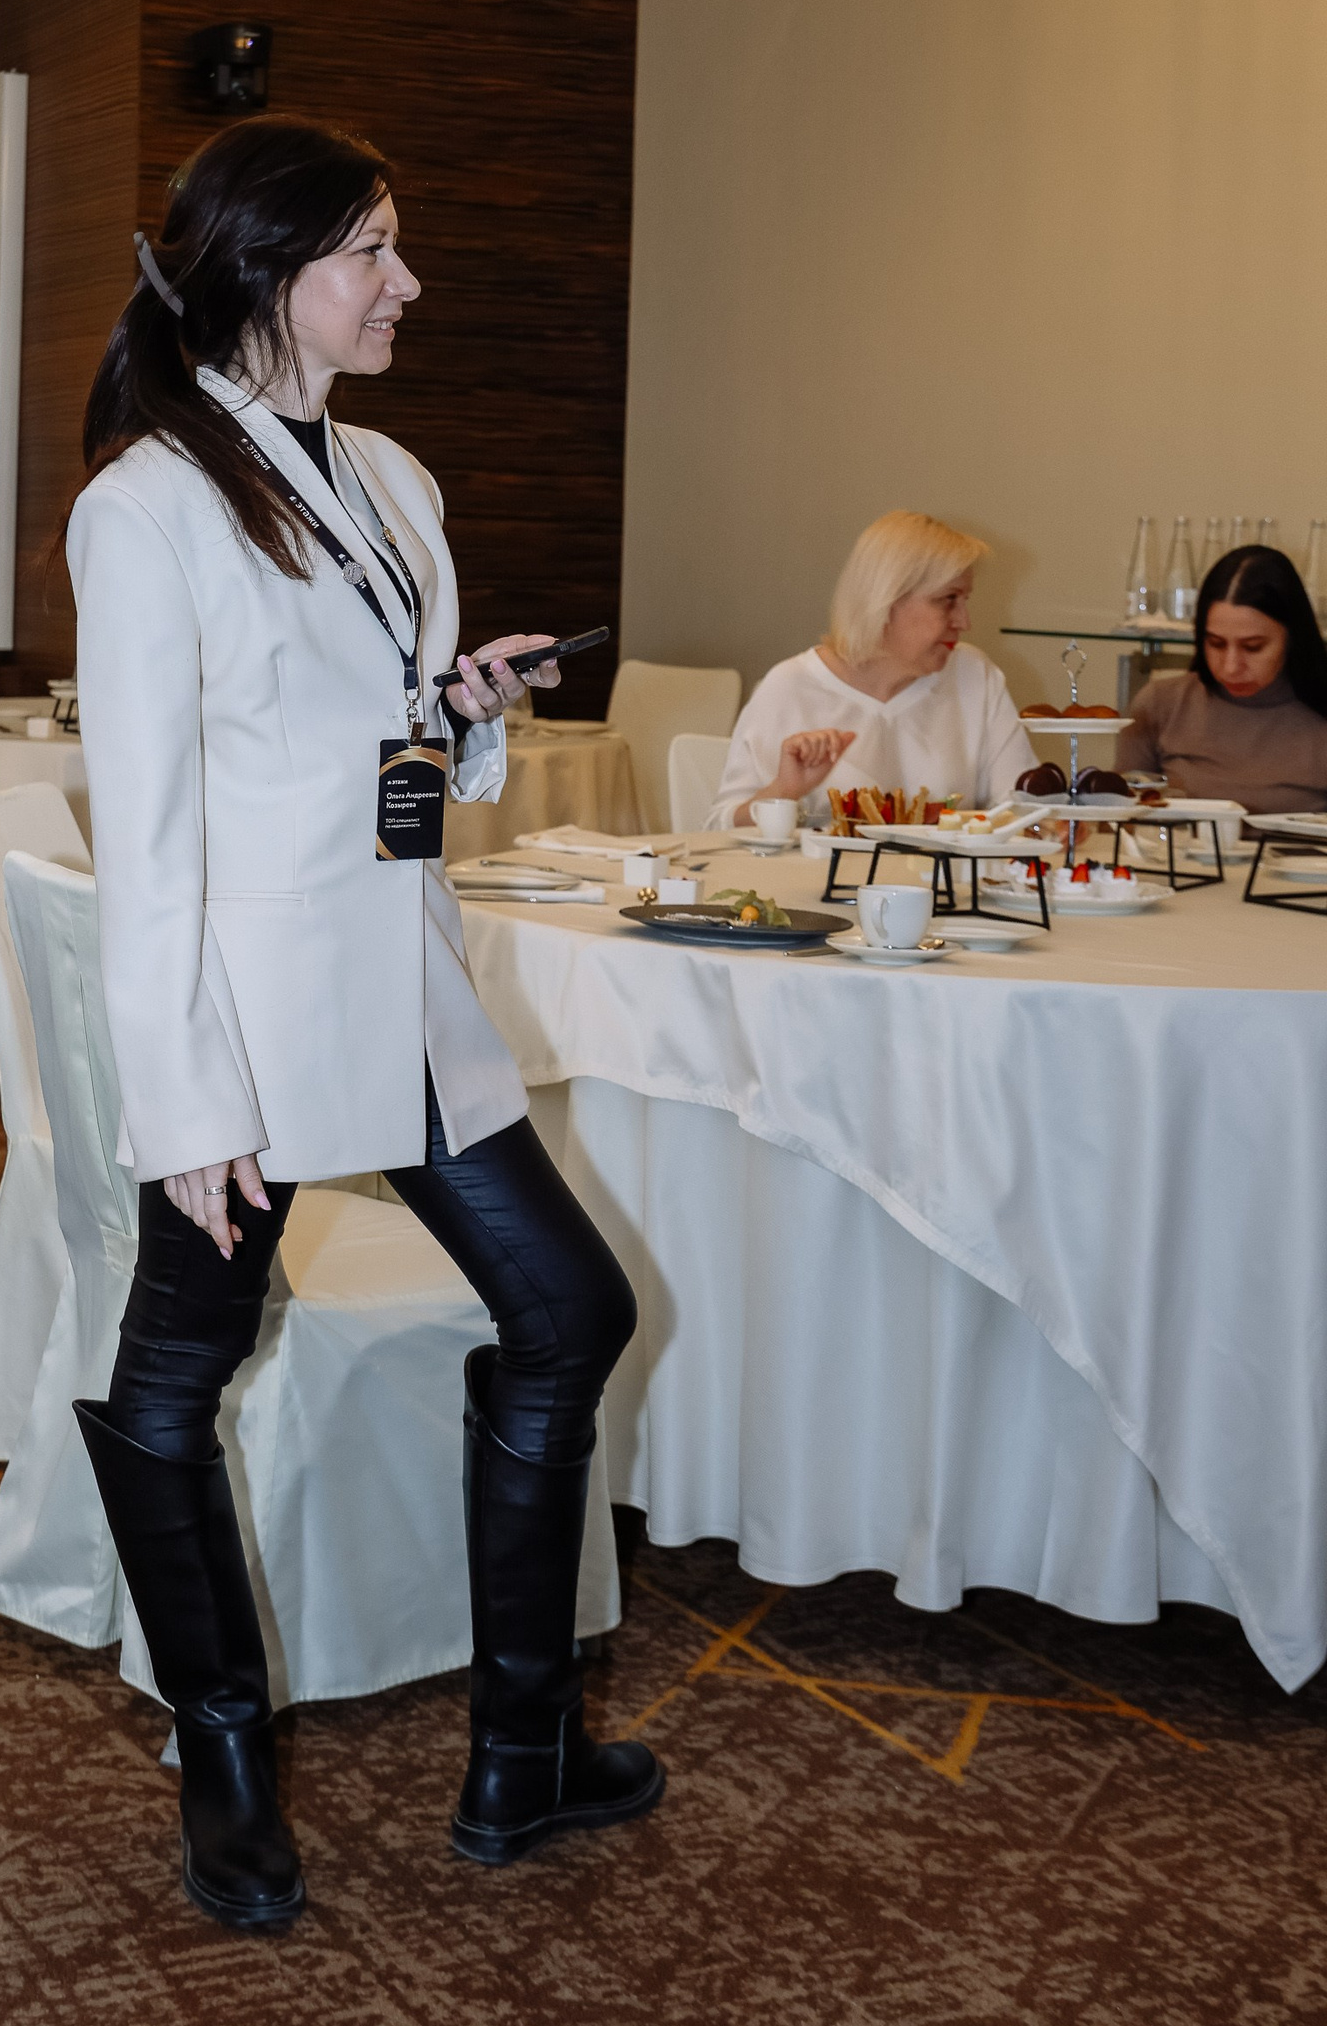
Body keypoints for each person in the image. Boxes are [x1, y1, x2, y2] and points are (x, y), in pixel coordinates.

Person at [66, 115, 655, 1934]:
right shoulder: (146, 506)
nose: (407, 282)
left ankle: (521, 1753)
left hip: (401, 986)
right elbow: (149, 837)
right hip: (248, 1023)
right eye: (373, 252)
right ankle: (224, 1764)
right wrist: (186, 1102)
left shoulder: (393, 476)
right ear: (268, 272)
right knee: (172, 1387)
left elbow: (377, 735)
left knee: (572, 1315)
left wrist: (461, 709)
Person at [713, 510, 1025, 829]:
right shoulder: (789, 686)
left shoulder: (974, 675)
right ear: (886, 599)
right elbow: (717, 828)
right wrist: (784, 792)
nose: (964, 622)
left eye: (965, 599)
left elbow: (1021, 809)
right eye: (948, 599)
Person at [1117, 544, 1327, 813]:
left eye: (1252, 647)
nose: (1230, 668)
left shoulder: (1316, 718)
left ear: (1292, 638)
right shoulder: (1162, 704)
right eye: (1216, 644)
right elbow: (1120, 818)